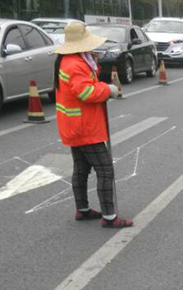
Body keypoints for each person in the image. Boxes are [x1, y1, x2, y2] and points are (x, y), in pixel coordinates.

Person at [54, 21, 132, 228]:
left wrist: (94, 66)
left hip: (74, 125)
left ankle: (83, 209)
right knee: (105, 170)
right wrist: (108, 90)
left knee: (81, 169)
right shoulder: (75, 64)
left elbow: (85, 84)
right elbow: (86, 92)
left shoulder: (71, 60)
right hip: (84, 127)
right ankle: (109, 217)